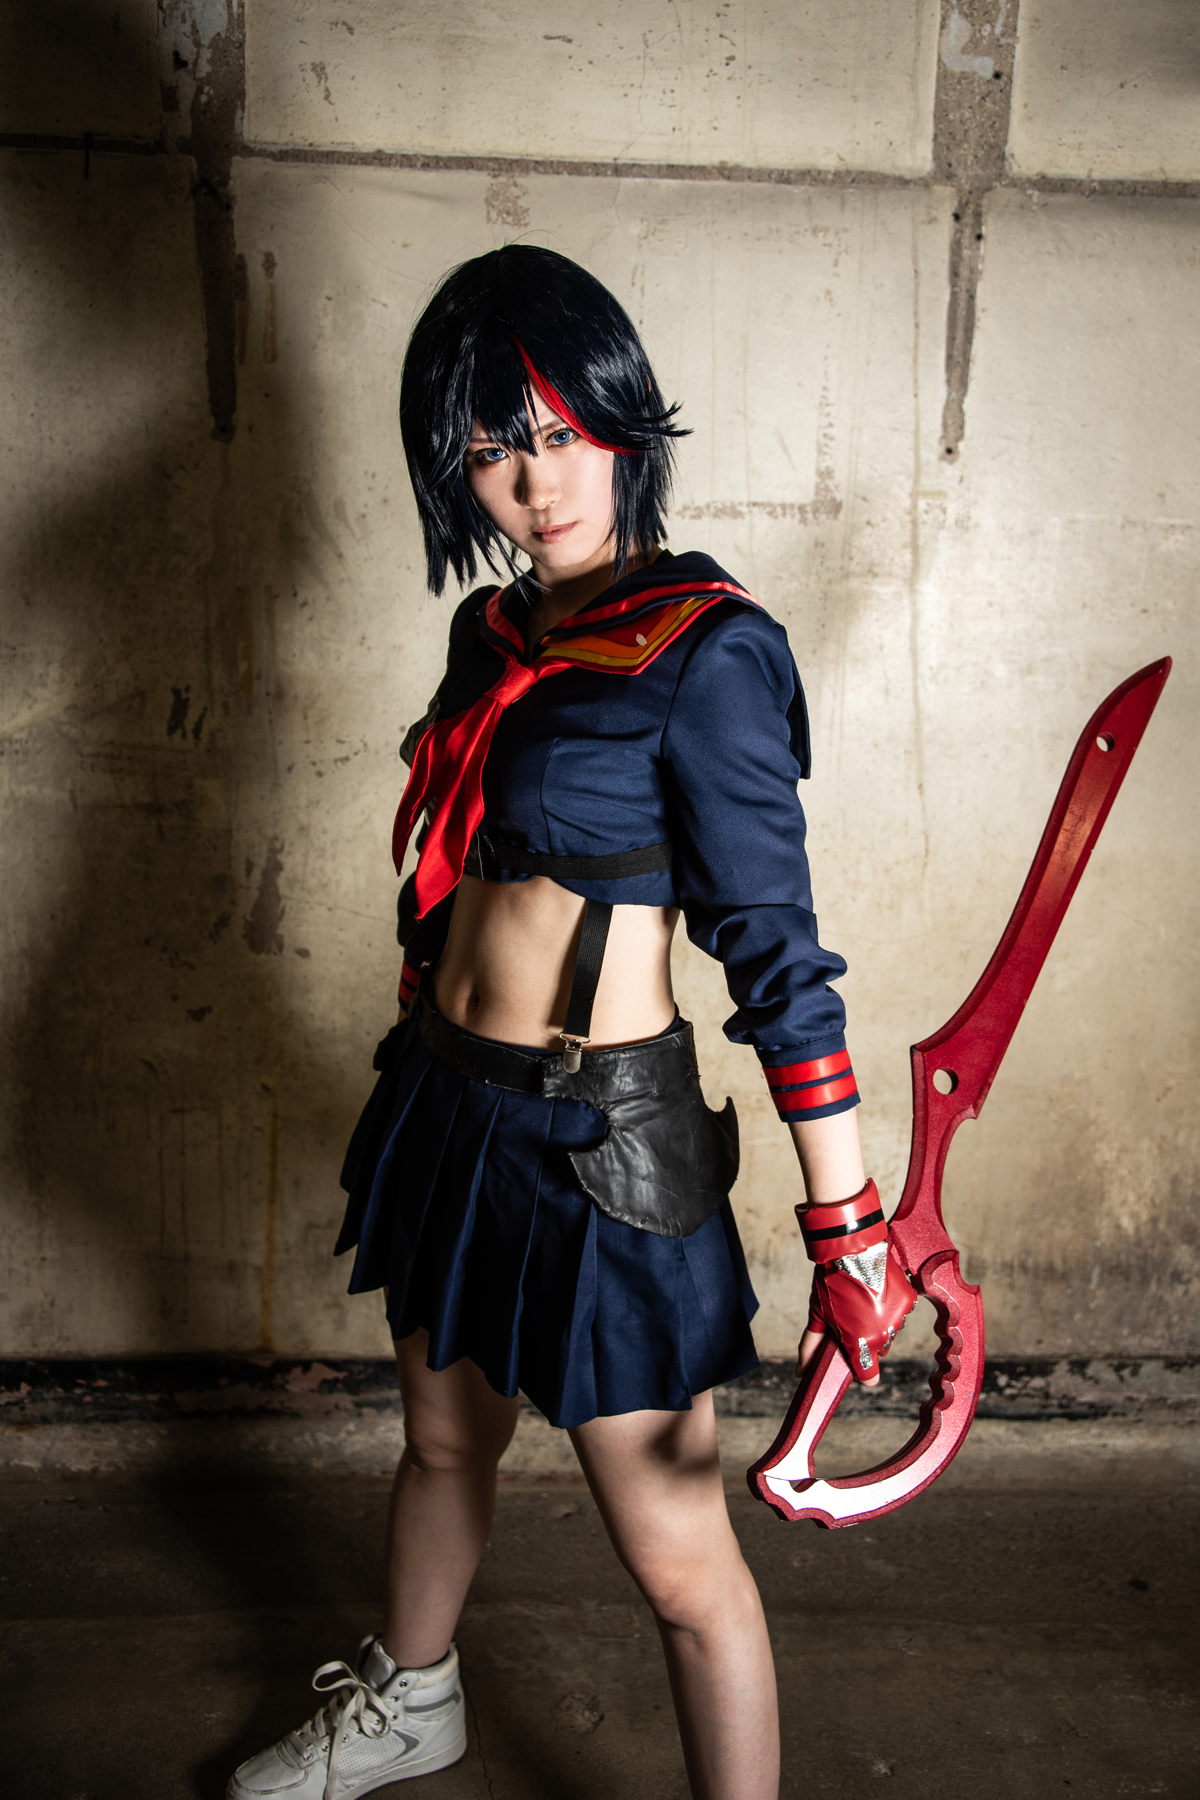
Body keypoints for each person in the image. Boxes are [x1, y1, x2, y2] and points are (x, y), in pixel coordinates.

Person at [227, 245, 914, 1800]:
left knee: (678, 1559)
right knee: (442, 1443)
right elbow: (460, 857)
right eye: (491, 450)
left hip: (604, 1147)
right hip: (448, 1105)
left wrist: (849, 1223)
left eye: (559, 432)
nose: (537, 485)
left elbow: (775, 955)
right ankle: (413, 1700)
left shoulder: (709, 652)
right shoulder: (496, 633)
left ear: (621, 421)